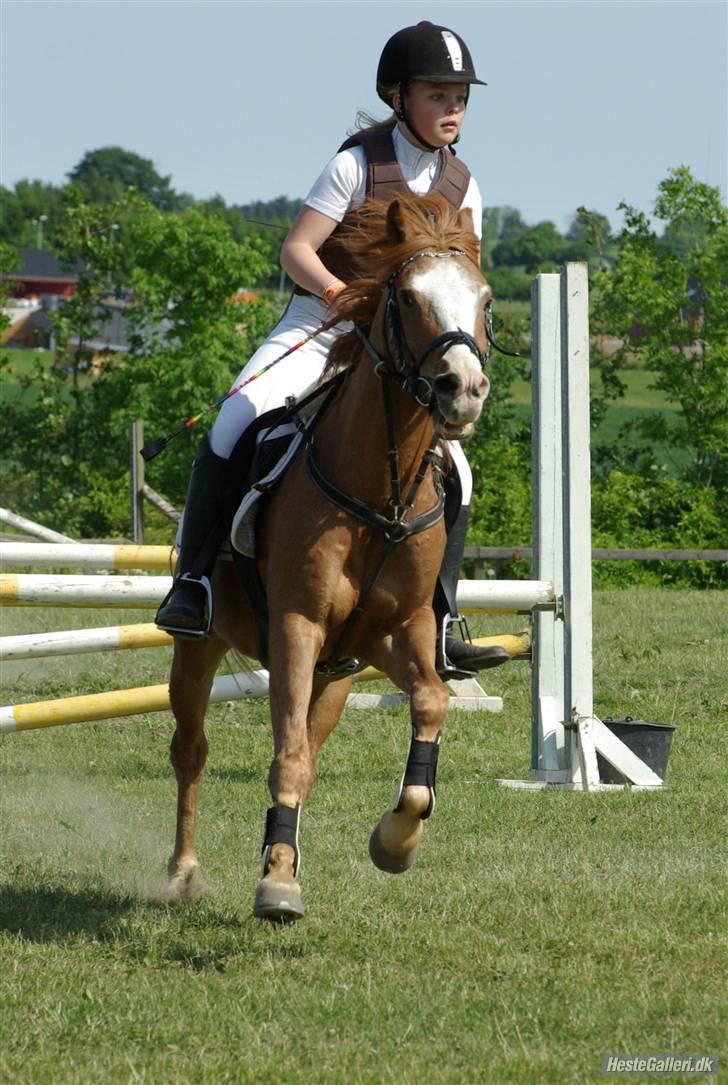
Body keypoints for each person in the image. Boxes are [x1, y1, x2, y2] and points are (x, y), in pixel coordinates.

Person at [156, 20, 505, 677]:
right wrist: (340, 294)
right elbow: (296, 250)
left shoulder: (465, 186)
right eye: (438, 94)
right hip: (321, 323)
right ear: (398, 97)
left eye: (460, 96)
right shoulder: (357, 164)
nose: (453, 108)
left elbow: (461, 276)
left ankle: (445, 614)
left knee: (459, 472)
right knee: (233, 425)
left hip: (405, 346)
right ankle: (195, 582)